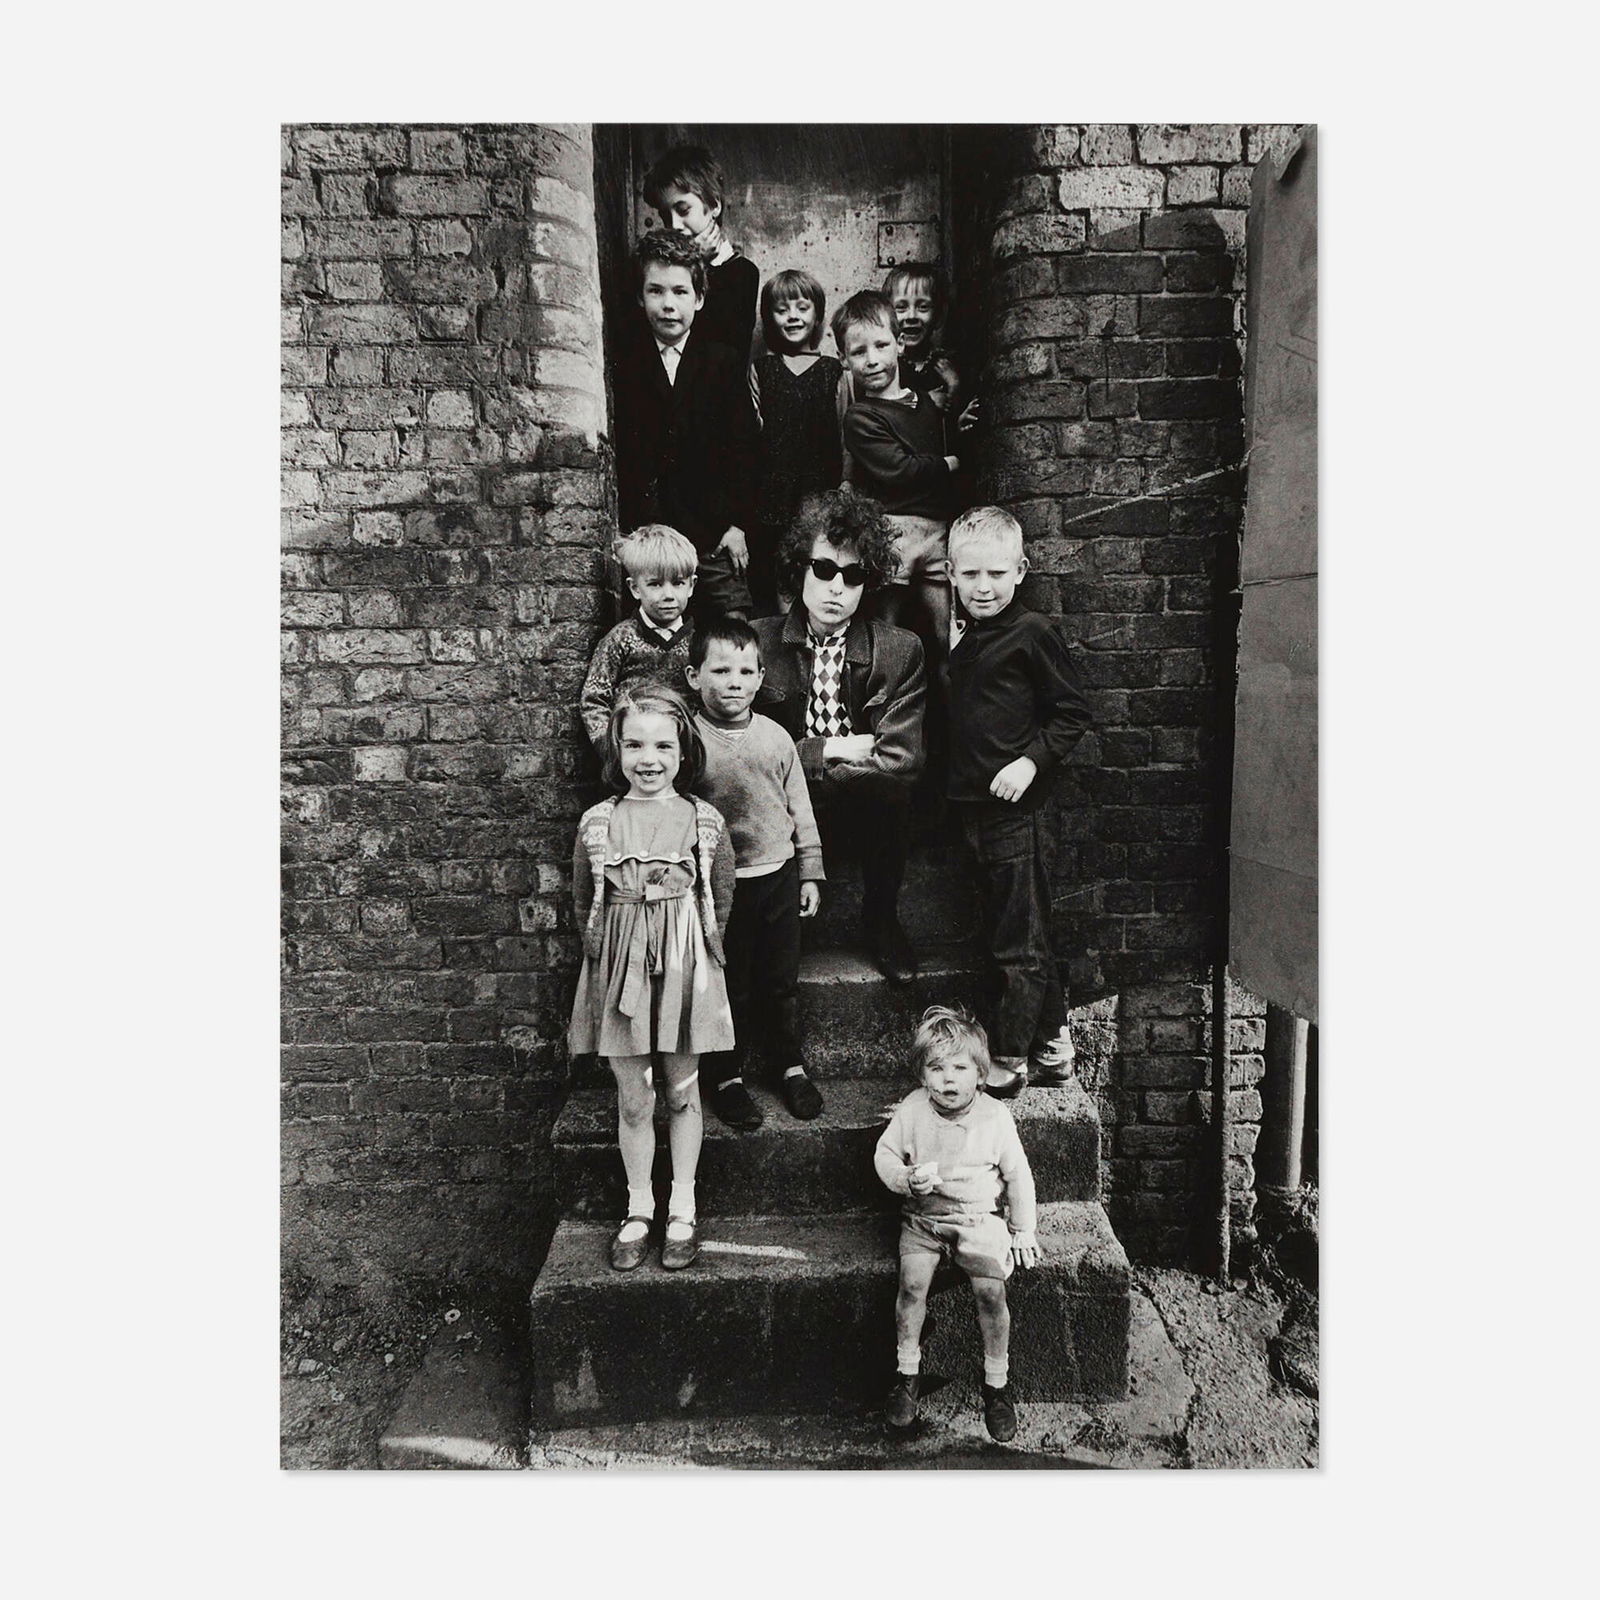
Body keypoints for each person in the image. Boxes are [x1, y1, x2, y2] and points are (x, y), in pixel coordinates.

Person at [568, 685, 736, 1273]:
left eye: (663, 745)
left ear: (683, 751)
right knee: (635, 1097)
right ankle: (639, 1207)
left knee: (683, 1091)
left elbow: (722, 896)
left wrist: (691, 950)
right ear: (616, 749)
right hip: (621, 969)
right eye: (634, 744)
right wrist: (616, 954)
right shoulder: (598, 822)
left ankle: (682, 1207)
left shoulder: (704, 821)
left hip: (684, 967)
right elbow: (583, 901)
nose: (649, 758)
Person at [946, 507, 1092, 1096]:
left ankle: (1009, 1057)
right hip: (972, 810)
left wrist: (1030, 761)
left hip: (1017, 814)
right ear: (951, 574)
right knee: (1016, 926)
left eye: (997, 574)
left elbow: (1072, 712)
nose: (983, 587)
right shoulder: (964, 636)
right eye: (970, 574)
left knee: (1018, 941)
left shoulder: (1033, 632)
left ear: (1021, 571)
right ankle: (1053, 1043)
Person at [753, 487, 925, 984]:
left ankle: (881, 919)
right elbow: (740, 746)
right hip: (783, 803)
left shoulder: (900, 650)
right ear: (799, 569)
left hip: (857, 804)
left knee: (891, 792)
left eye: (853, 576)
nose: (836, 588)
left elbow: (901, 758)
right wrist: (833, 747)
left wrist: (802, 758)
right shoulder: (757, 641)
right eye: (824, 569)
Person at [875, 1005, 1039, 1441]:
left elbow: (1018, 1174)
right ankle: (907, 1375)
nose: (948, 1079)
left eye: (960, 1068)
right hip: (924, 1217)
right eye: (937, 1068)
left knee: (991, 1292)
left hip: (978, 1217)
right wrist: (905, 1179)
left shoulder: (994, 1117)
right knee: (912, 1284)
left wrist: (1023, 1228)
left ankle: (996, 1384)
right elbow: (885, 1154)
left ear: (980, 1075)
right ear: (922, 1075)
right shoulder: (913, 1109)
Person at [686, 618, 826, 1129]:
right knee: (732, 984)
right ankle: (727, 1076)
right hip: (720, 887)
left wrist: (809, 871)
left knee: (780, 980)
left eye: (746, 671)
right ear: (694, 676)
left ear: (762, 677)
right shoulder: (688, 740)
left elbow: (799, 808)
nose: (735, 682)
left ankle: (790, 1065)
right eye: (721, 670)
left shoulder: (776, 738)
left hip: (778, 878)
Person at [613, 230, 759, 621]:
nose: (668, 304)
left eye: (680, 292)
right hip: (651, 531)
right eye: (655, 291)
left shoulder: (722, 361)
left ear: (699, 298)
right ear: (639, 297)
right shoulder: (627, 362)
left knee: (734, 621)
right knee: (654, 624)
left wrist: (736, 525)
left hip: (714, 529)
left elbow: (744, 446)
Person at [834, 289, 959, 670]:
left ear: (900, 344)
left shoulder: (926, 402)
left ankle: (948, 705)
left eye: (881, 345)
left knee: (945, 635)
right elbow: (900, 470)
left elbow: (942, 432)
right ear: (843, 358)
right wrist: (948, 464)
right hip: (892, 531)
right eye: (859, 352)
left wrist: (954, 395)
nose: (872, 360)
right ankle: (882, 702)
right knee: (885, 632)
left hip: (937, 530)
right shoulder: (861, 417)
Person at [748, 269, 845, 615]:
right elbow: (751, 430)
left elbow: (845, 433)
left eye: (802, 308)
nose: (792, 316)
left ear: (817, 315)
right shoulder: (762, 368)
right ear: (769, 318)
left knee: (817, 569)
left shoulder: (833, 370)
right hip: (772, 495)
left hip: (819, 492)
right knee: (779, 578)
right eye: (781, 309)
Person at [578, 525, 698, 752]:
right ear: (634, 588)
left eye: (678, 583)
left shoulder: (699, 644)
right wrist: (613, 749)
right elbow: (594, 700)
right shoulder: (621, 639)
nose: (668, 595)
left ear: (691, 586)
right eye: (655, 584)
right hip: (631, 753)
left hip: (682, 753)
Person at [642, 143, 759, 361]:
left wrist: (699, 264)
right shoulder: (655, 267)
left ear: (714, 205)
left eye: (683, 210)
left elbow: (721, 351)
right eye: (666, 216)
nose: (674, 225)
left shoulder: (743, 272)